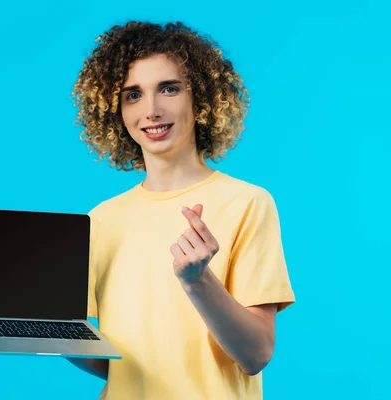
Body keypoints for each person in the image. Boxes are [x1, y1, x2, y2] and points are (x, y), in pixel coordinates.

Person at [66, 21, 295, 399]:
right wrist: (51, 331)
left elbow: (255, 354)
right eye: (132, 95)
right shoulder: (100, 220)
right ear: (115, 110)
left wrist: (197, 281)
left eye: (169, 89)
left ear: (200, 98)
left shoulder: (247, 203)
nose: (152, 110)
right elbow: (119, 364)